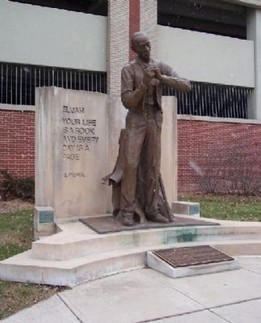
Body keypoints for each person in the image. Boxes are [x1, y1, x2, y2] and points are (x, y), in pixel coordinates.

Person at [117, 31, 191, 226]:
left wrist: (162, 78)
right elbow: (127, 101)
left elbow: (186, 85)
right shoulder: (128, 70)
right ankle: (127, 211)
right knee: (131, 164)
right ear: (135, 49)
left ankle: (151, 209)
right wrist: (143, 85)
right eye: (142, 46)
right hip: (136, 119)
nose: (147, 49)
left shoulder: (160, 65)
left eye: (148, 45)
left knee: (152, 165)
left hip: (155, 118)